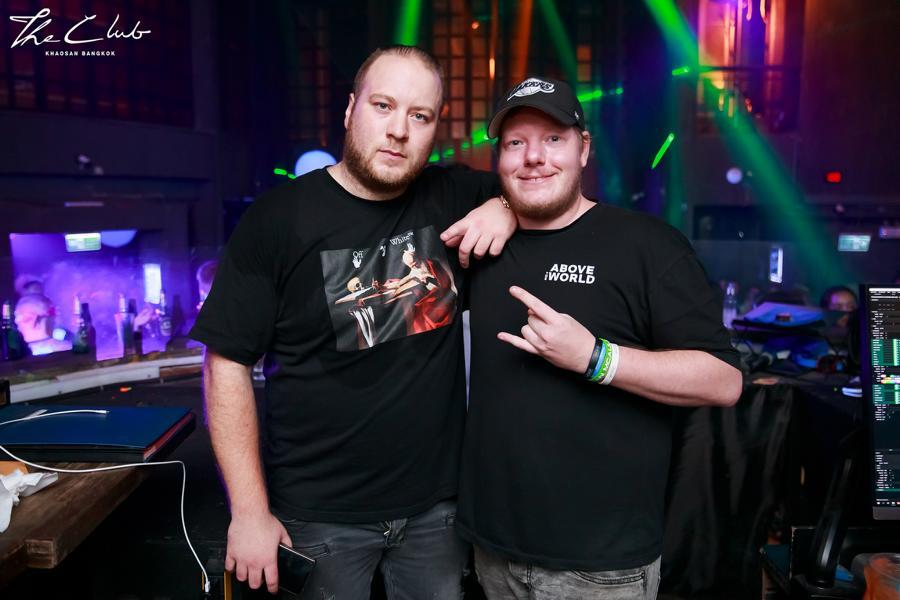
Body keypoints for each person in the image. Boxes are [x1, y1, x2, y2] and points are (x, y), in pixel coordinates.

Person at [190, 45, 516, 598]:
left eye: (420, 115)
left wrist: (504, 207)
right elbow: (226, 364)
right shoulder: (277, 221)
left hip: (437, 512)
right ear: (349, 110)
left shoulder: (455, 196)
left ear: (435, 127)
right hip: (318, 518)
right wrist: (249, 512)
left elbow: (539, 188)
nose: (399, 130)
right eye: (383, 106)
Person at [457, 77, 743, 600]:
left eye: (553, 139)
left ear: (583, 148)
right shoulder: (482, 245)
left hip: (600, 566)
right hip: (491, 549)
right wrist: (499, 204)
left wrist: (595, 357)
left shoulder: (646, 246)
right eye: (516, 143)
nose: (534, 157)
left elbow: (723, 380)